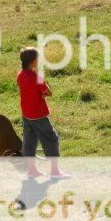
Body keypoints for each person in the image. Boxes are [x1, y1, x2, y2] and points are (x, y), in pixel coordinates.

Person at [17, 47, 69, 180]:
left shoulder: (20, 75)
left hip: (26, 113)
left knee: (29, 141)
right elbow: (49, 93)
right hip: (38, 114)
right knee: (51, 139)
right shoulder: (37, 77)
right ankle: (55, 171)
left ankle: (32, 170)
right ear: (34, 61)